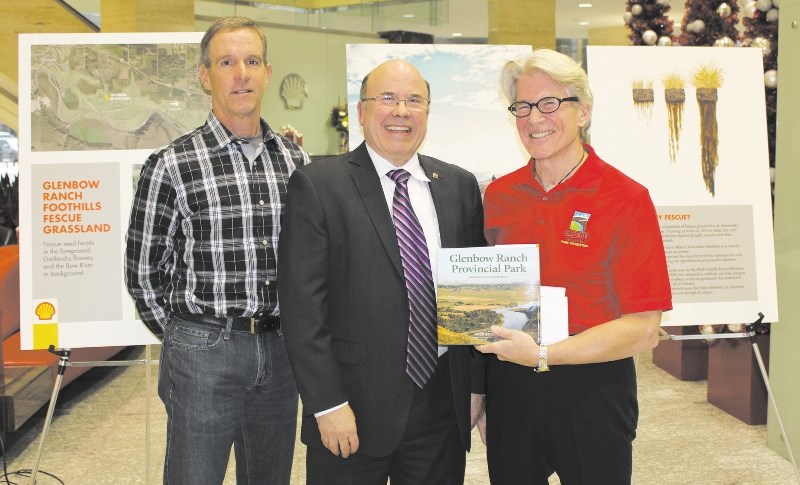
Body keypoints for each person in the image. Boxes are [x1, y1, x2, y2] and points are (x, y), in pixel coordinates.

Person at [278, 59, 486, 485]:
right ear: (361, 110)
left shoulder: (459, 186)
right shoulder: (318, 185)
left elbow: (474, 298)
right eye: (387, 98)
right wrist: (327, 405)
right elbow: (302, 312)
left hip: (441, 409)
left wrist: (475, 388)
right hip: (350, 413)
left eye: (414, 100)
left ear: (427, 112)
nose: (401, 111)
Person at [124, 16, 309, 484]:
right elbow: (143, 273)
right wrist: (188, 339)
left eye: (251, 61)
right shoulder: (171, 165)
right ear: (206, 76)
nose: (241, 73)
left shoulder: (297, 164)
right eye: (227, 62)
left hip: (282, 351)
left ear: (267, 72)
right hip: (205, 352)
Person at [476, 49, 673, 485]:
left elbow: (642, 328)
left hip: (594, 388)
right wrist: (484, 394)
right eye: (523, 107)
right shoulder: (498, 196)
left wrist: (543, 355)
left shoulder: (626, 198)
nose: (534, 118)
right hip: (511, 385)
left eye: (550, 103)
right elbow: (484, 304)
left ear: (582, 112)